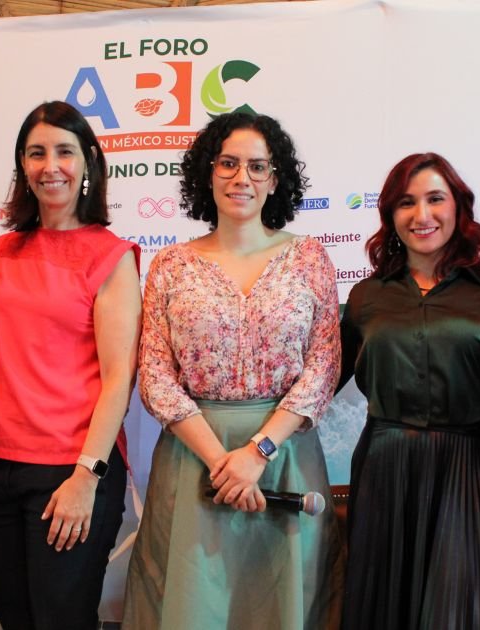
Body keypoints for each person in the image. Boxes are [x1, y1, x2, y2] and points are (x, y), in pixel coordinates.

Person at [123, 111, 344, 630]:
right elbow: (155, 375)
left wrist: (257, 453)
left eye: (257, 166)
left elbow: (322, 368)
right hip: (194, 461)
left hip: (284, 458)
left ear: (275, 180)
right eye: (228, 163)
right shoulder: (170, 265)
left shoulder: (309, 259)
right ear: (208, 172)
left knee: (283, 604)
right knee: (193, 605)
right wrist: (223, 463)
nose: (241, 177)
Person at [338, 152, 480, 630]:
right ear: (390, 215)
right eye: (406, 202)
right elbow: (317, 384)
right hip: (382, 470)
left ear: (458, 206)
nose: (422, 215)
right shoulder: (366, 297)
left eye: (435, 199)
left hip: (464, 471)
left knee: (459, 612)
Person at [0, 101, 141, 630]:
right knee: (15, 619)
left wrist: (86, 477)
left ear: (88, 160)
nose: (50, 166)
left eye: (64, 152)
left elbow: (119, 379)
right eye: (36, 153)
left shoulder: (111, 256)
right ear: (23, 166)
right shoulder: (4, 250)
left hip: (72, 470)